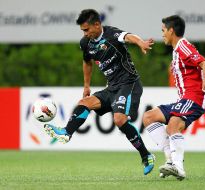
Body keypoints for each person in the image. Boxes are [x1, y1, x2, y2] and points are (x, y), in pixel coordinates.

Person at [44, 9, 155, 175]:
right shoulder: (85, 43)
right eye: (82, 30)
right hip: (111, 87)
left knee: (119, 120)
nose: (85, 33)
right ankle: (67, 132)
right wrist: (86, 86)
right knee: (84, 103)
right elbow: (87, 62)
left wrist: (140, 43)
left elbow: (128, 36)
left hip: (129, 83)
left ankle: (146, 155)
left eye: (86, 29)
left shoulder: (111, 34)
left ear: (97, 24)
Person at [142, 15, 205, 180]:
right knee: (149, 117)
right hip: (184, 99)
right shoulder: (177, 51)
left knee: (173, 124)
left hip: (195, 97)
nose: (162, 34)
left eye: (163, 31)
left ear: (171, 30)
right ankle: (170, 161)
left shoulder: (183, 46)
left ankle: (178, 167)